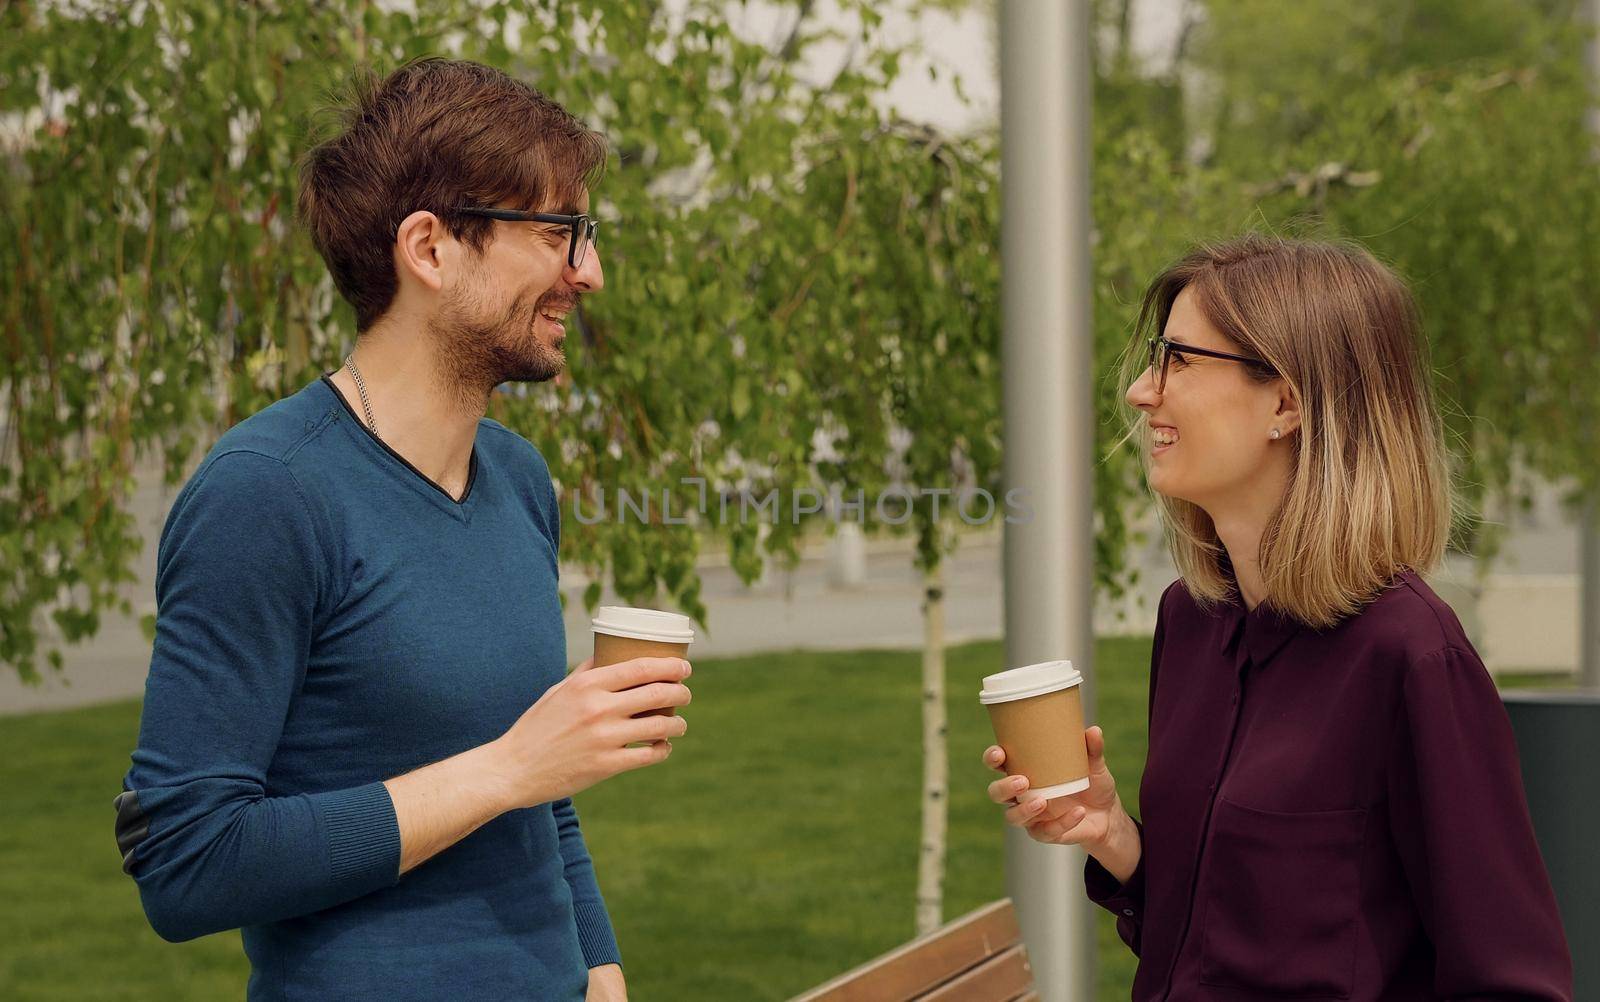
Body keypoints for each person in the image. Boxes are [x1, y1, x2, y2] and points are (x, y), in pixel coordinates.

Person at [112, 57, 687, 1001]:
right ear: (429, 248)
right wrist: (506, 769)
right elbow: (186, 859)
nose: (590, 272)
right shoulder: (267, 496)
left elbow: (543, 794)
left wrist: (600, 961)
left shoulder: (518, 478)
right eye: (559, 233)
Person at [983, 235, 1573, 1000]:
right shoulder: (1191, 621)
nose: (1140, 391)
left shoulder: (1411, 656)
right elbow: (1216, 944)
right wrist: (1115, 837)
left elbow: (1514, 983)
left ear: (1287, 404)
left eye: (1179, 360)